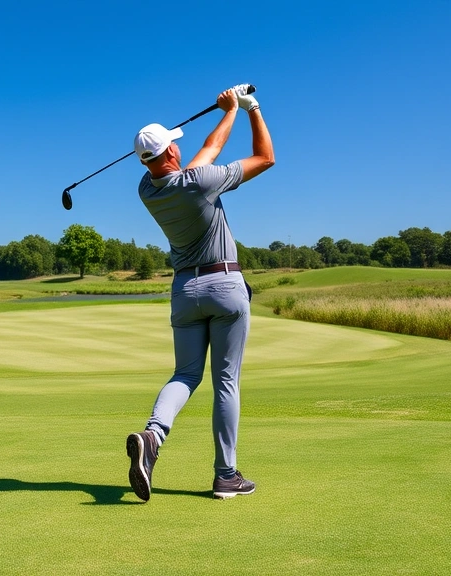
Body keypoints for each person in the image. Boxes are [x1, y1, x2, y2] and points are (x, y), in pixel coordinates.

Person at [126, 85, 275, 501]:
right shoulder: (199, 183)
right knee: (226, 382)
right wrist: (247, 109)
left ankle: (153, 437)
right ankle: (226, 475)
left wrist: (226, 114)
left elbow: (204, 154)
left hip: (184, 291)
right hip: (224, 287)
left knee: (185, 375)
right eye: (173, 145)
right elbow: (266, 158)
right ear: (170, 154)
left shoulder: (147, 189)